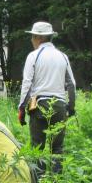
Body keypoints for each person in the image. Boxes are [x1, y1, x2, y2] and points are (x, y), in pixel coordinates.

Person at [18, 21, 76, 174]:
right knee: (57, 148)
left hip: (39, 105)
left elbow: (27, 84)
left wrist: (21, 108)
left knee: (37, 147)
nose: (31, 40)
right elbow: (72, 84)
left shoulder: (33, 56)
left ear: (38, 37)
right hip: (60, 106)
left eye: (32, 37)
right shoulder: (63, 56)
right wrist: (71, 107)